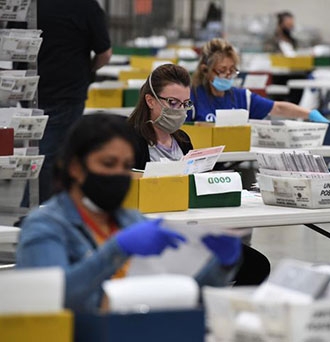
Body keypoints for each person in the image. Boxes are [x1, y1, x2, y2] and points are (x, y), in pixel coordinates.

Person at [15, 114, 242, 313]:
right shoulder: (46, 226)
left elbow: (179, 295)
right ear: (75, 167)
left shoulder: (131, 220)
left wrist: (220, 266)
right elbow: (52, 300)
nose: (118, 174)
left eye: (126, 166)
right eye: (108, 163)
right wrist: (117, 250)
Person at [128, 63, 270, 286]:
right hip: (156, 233)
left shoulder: (182, 139)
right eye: (172, 103)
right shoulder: (129, 139)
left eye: (185, 104)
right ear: (150, 100)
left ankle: (218, 311)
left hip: (192, 228)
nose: (179, 110)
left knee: (256, 265)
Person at [21, 0, 112, 207]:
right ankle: (34, 213)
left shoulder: (31, 4)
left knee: (40, 154)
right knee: (51, 157)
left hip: (29, 88)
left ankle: (39, 210)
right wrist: (87, 71)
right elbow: (104, 53)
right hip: (68, 91)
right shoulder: (86, 6)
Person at [188, 38, 329, 123]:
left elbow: (278, 108)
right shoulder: (192, 98)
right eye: (221, 70)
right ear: (205, 70)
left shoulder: (242, 98)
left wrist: (310, 114)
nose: (227, 75)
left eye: (232, 70)